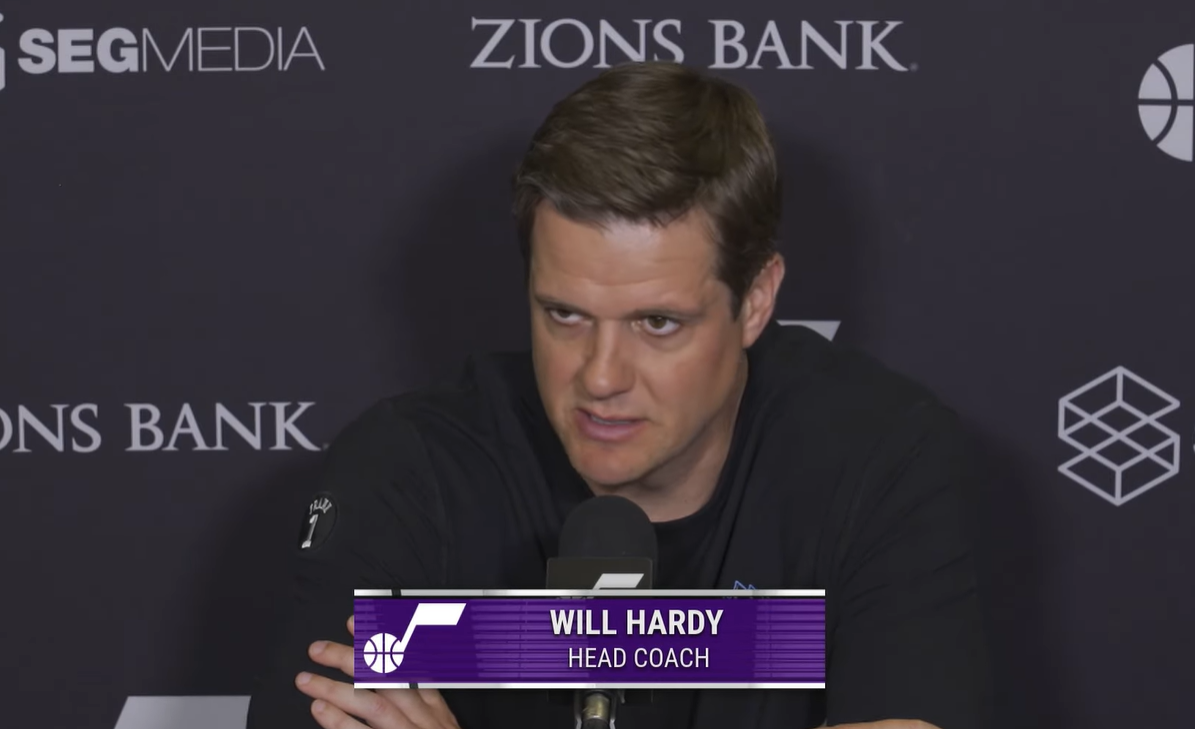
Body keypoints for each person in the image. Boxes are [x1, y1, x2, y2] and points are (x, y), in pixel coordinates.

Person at [246, 61, 992, 729]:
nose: (601, 377)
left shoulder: (878, 455)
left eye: (657, 323)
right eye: (564, 315)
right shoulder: (414, 468)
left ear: (756, 300)